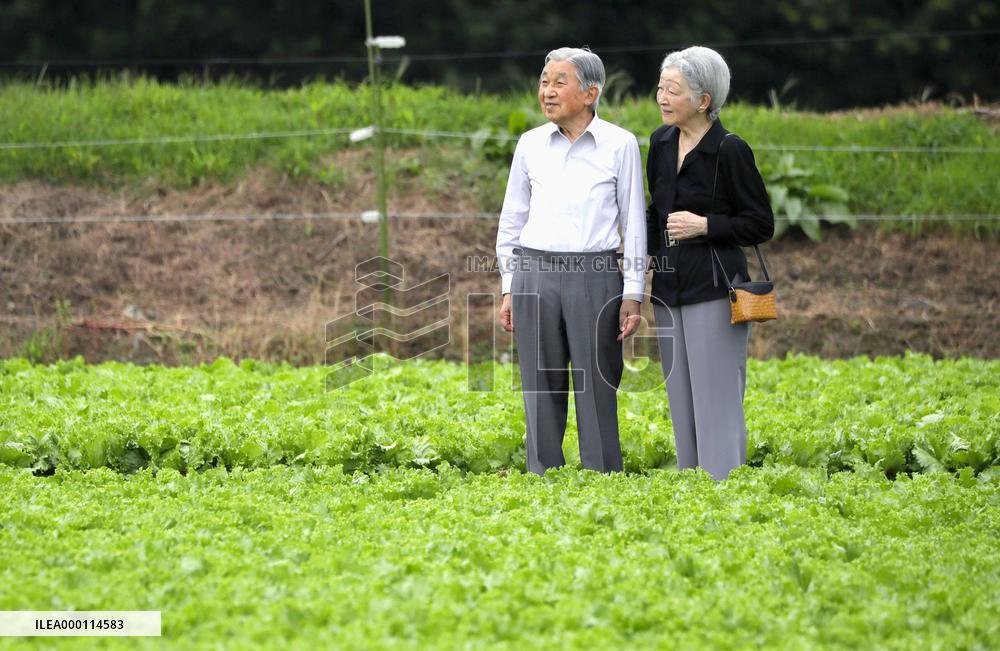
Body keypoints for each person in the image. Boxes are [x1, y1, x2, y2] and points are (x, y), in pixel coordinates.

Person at [496, 47, 647, 475]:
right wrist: (509, 285)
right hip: (534, 274)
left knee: (598, 383)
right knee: (539, 387)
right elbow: (512, 221)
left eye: (559, 82)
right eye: (544, 81)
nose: (547, 91)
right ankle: (543, 474)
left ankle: (602, 476)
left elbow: (634, 223)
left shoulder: (620, 145)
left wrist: (633, 293)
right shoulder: (529, 144)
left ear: (590, 92)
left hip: (595, 275)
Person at [645, 46, 774, 480]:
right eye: (660, 88)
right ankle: (692, 491)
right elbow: (654, 212)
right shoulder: (660, 143)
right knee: (680, 401)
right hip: (668, 289)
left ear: (703, 100)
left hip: (717, 289)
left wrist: (705, 225)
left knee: (715, 399)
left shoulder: (731, 150)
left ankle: (724, 489)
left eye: (673, 90)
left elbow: (760, 223)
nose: (661, 97)